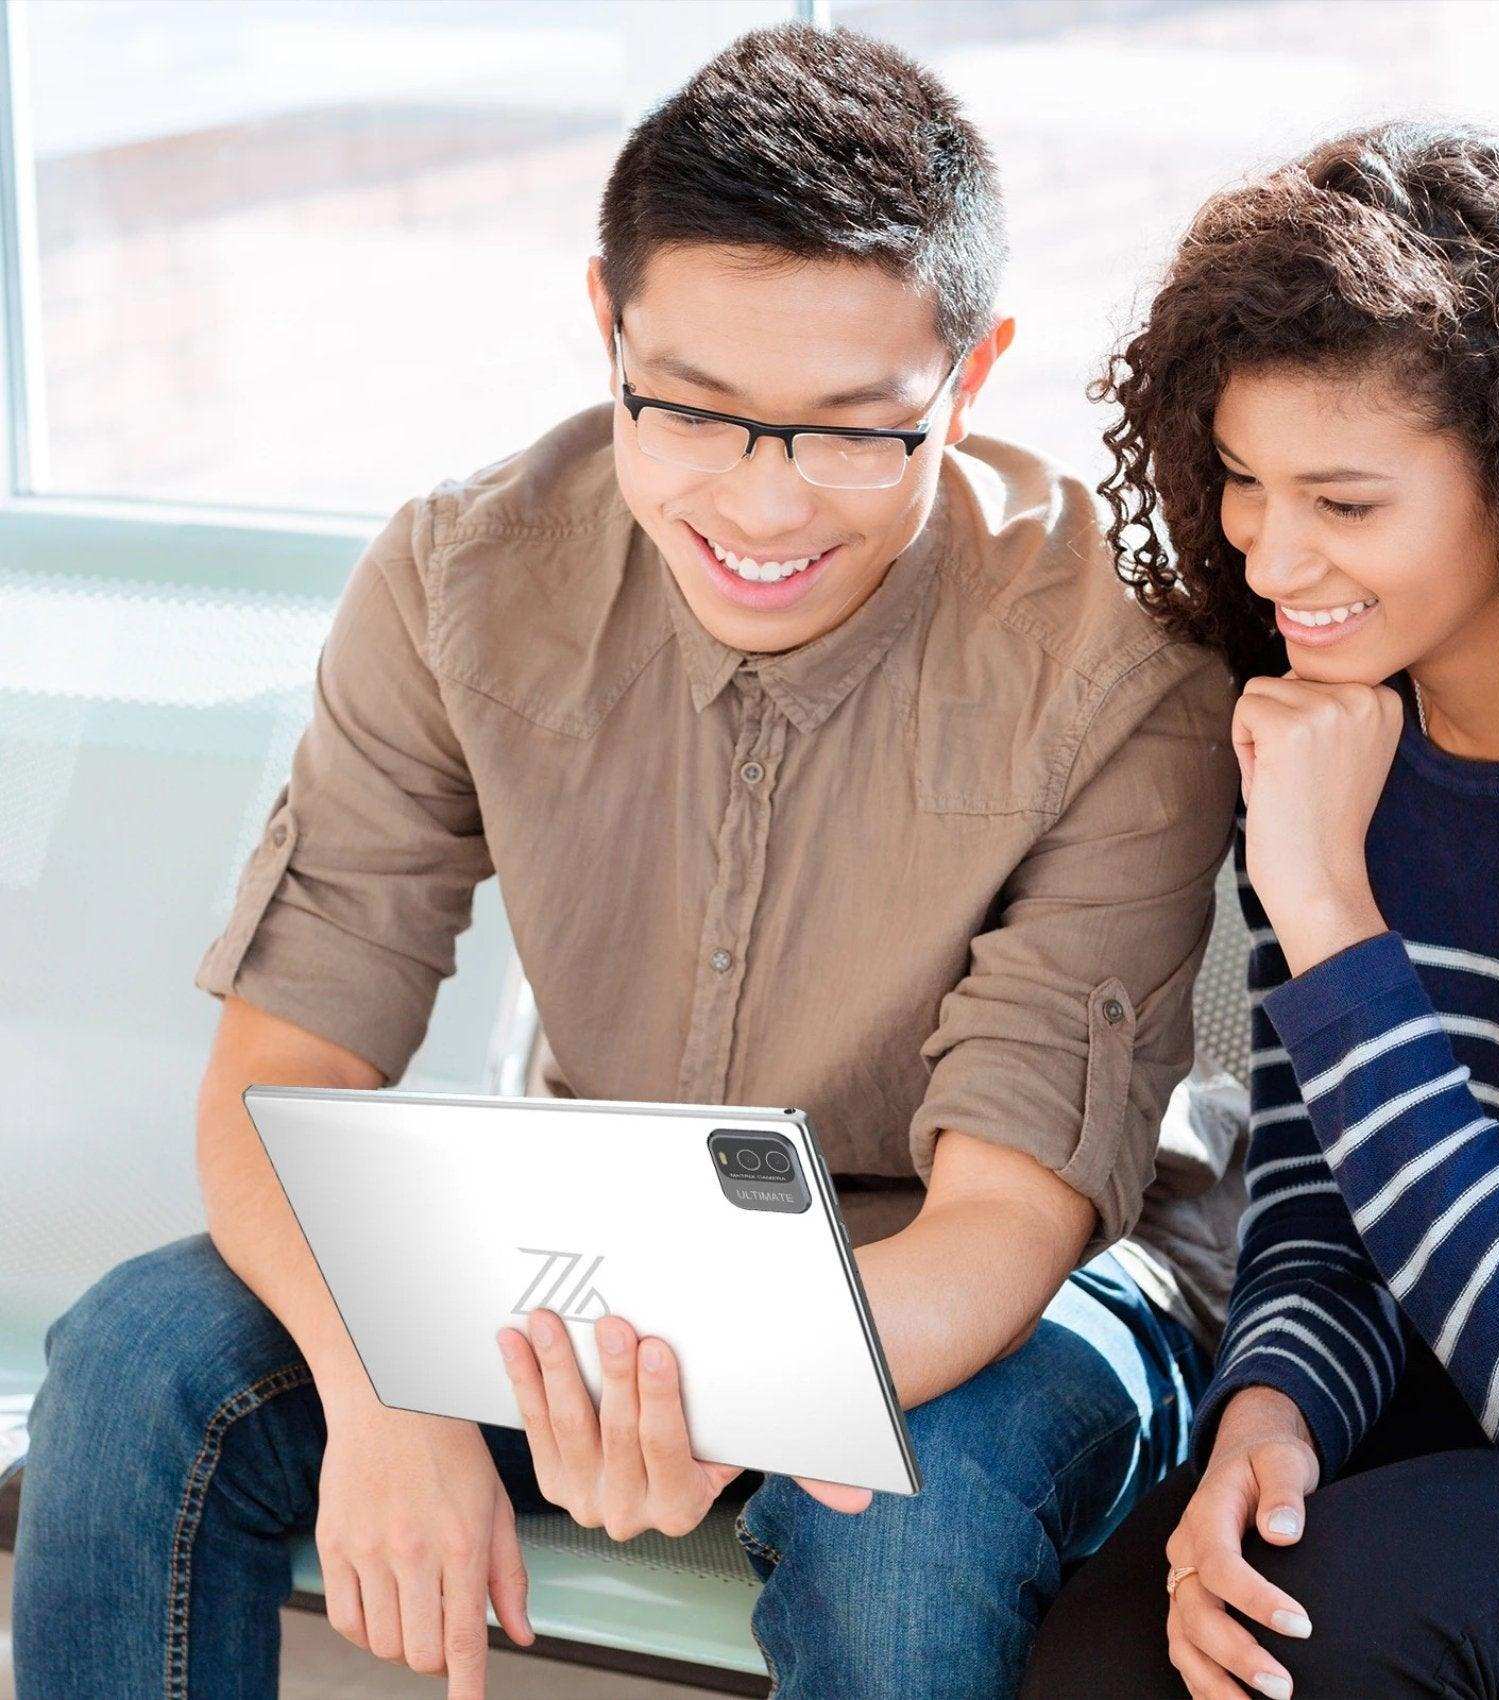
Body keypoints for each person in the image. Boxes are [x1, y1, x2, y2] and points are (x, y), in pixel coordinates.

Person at [13, 22, 1243, 1700]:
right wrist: (384, 1386)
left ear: (972, 373)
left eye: (854, 430)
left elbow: (1003, 1224)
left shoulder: (1113, 661)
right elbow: (278, 1072)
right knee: (133, 1364)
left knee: (905, 1523)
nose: (764, 507)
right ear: (606, 325)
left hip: (1005, 1293)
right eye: (695, 411)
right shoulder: (463, 576)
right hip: (607, 1248)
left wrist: (714, 1395)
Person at [1020, 119, 1499, 1700]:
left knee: (1347, 1615)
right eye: (1244, 482)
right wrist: (1270, 1411)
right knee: (1111, 1652)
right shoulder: (1333, 744)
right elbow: (1321, 1217)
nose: (1272, 556)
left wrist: (1326, 902)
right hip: (1474, 1396)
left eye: (1342, 501)